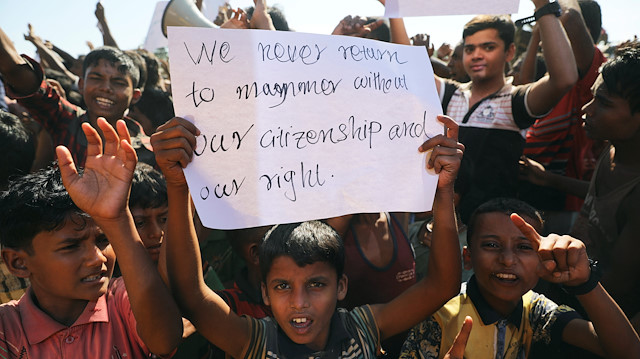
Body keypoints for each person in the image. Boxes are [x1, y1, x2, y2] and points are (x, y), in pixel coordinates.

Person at [152, 115, 465, 358]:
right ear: (264, 292)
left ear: (341, 285)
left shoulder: (363, 329)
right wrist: (178, 186)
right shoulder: (254, 341)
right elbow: (191, 293)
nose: (299, 303)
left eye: (316, 284)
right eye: (282, 286)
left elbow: (442, 285)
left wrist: (443, 189)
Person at [0, 118, 182, 357]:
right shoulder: (7, 330)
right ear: (18, 262)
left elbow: (165, 340)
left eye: (103, 240)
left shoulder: (124, 301)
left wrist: (117, 218)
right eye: (71, 246)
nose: (97, 259)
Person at [399, 198, 640, 359]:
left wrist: (585, 283)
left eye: (524, 247)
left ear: (541, 258)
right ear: (468, 257)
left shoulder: (535, 310)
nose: (507, 259)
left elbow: (626, 351)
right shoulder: (439, 318)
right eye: (491, 245)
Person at [0, 26, 155, 168]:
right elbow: (14, 69)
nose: (106, 88)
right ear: (81, 85)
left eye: (118, 82)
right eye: (96, 78)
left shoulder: (152, 152)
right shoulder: (64, 120)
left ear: (135, 95)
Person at [520, 0, 608, 233]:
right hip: (530, 200)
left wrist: (547, 11)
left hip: (566, 207)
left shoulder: (590, 80)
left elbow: (572, 19)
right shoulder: (548, 81)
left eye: (555, 27)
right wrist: (536, 34)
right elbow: (520, 91)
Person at [130, 162, 168, 266]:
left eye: (164, 219)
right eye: (140, 223)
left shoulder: (191, 269)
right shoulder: (107, 279)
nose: (156, 233)